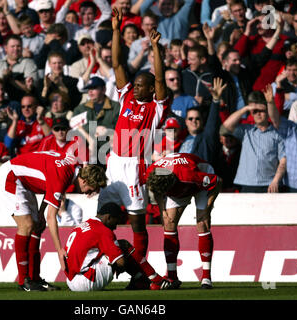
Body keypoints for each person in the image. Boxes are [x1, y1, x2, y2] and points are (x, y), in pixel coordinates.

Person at [97, 9, 170, 269]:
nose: (135, 87)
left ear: (151, 89)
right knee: (103, 215)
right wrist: (116, 29)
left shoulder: (156, 108)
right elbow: (117, 64)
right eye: (135, 84)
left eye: (141, 85)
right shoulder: (126, 97)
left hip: (134, 168)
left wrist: (155, 47)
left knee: (137, 222)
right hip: (114, 163)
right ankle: (105, 262)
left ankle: (140, 271)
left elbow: (160, 77)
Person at [0, 151, 107, 291]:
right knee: (27, 225)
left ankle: (34, 279)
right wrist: (60, 250)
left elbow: (50, 184)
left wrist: (40, 213)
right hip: (11, 177)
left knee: (37, 226)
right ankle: (24, 281)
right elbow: (51, 217)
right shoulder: (63, 176)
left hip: (22, 180)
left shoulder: (72, 168)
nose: (89, 193)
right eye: (91, 189)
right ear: (84, 181)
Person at [144, 152, 222, 289]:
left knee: (202, 223)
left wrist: (208, 208)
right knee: (168, 223)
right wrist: (162, 210)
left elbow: (218, 182)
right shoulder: (152, 172)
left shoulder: (190, 176)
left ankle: (206, 277)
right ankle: (172, 276)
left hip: (197, 180)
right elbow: (156, 190)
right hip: (177, 183)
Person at [64, 202, 177, 291]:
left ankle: (140, 280)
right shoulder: (103, 230)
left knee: (113, 251)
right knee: (123, 246)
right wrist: (120, 265)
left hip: (71, 280)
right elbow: (121, 262)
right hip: (86, 281)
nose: (115, 227)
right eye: (115, 221)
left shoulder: (84, 224)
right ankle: (157, 281)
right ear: (108, 217)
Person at [221, 90, 287, 193]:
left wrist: (276, 180)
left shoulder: (277, 134)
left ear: (267, 112)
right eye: (254, 112)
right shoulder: (246, 130)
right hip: (246, 184)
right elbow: (225, 127)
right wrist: (246, 108)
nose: (258, 114)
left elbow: (283, 161)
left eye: (261, 111)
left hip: (269, 184)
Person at [179, 78, 226, 167]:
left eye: (197, 119)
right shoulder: (181, 138)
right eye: (190, 118)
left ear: (202, 121)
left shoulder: (206, 138)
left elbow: (212, 123)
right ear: (186, 122)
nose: (194, 121)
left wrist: (215, 101)